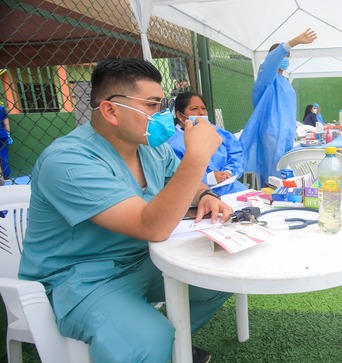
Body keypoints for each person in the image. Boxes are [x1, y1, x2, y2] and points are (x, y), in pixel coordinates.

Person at [19, 57, 234, 363]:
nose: (161, 115)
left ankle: (170, 349)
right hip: (81, 278)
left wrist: (207, 194)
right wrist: (197, 155)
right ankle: (154, 345)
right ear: (110, 110)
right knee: (147, 339)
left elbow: (185, 183)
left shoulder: (151, 146)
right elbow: (151, 226)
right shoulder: (66, 160)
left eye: (162, 104)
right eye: (151, 105)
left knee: (219, 278)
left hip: (143, 260)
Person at [240, 29, 317, 186]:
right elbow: (270, 63)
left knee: (284, 173)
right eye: (283, 55)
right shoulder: (267, 79)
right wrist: (292, 43)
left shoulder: (284, 82)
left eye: (287, 56)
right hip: (272, 135)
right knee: (272, 176)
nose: (285, 58)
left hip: (286, 134)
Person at [168, 91, 247, 195]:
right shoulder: (172, 142)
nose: (201, 113)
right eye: (194, 109)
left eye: (203, 108)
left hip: (232, 187)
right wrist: (208, 179)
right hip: (199, 196)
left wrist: (229, 171)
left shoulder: (217, 132)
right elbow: (174, 176)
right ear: (180, 116)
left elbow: (236, 152)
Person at [0, 102, 12, 178]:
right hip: (2, 134)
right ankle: (6, 175)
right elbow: (6, 123)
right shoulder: (1, 108)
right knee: (4, 155)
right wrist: (8, 134)